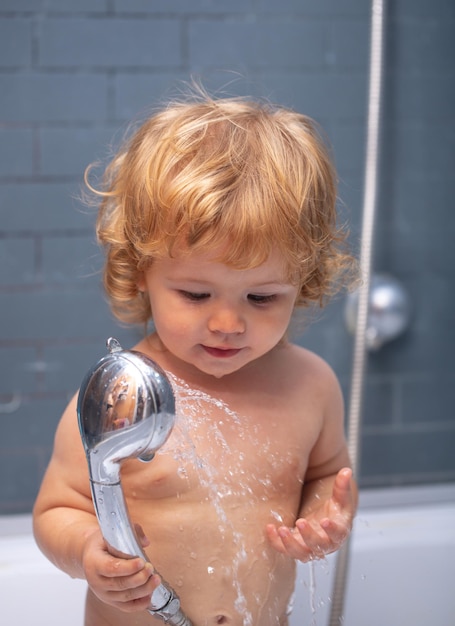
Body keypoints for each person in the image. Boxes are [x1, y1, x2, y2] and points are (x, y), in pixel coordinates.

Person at [33, 91, 358, 626]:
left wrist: (323, 517)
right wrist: (88, 551)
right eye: (196, 295)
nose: (228, 324)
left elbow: (327, 474)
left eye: (261, 298)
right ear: (141, 271)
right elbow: (57, 510)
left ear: (305, 281)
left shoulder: (310, 386)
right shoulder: (118, 399)